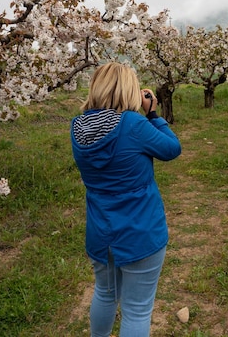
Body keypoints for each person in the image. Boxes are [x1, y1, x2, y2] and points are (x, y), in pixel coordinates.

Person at [70, 62, 181, 337]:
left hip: (100, 232)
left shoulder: (78, 126)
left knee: (105, 294)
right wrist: (153, 113)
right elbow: (171, 149)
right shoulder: (133, 124)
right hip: (141, 233)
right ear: (129, 89)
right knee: (137, 309)